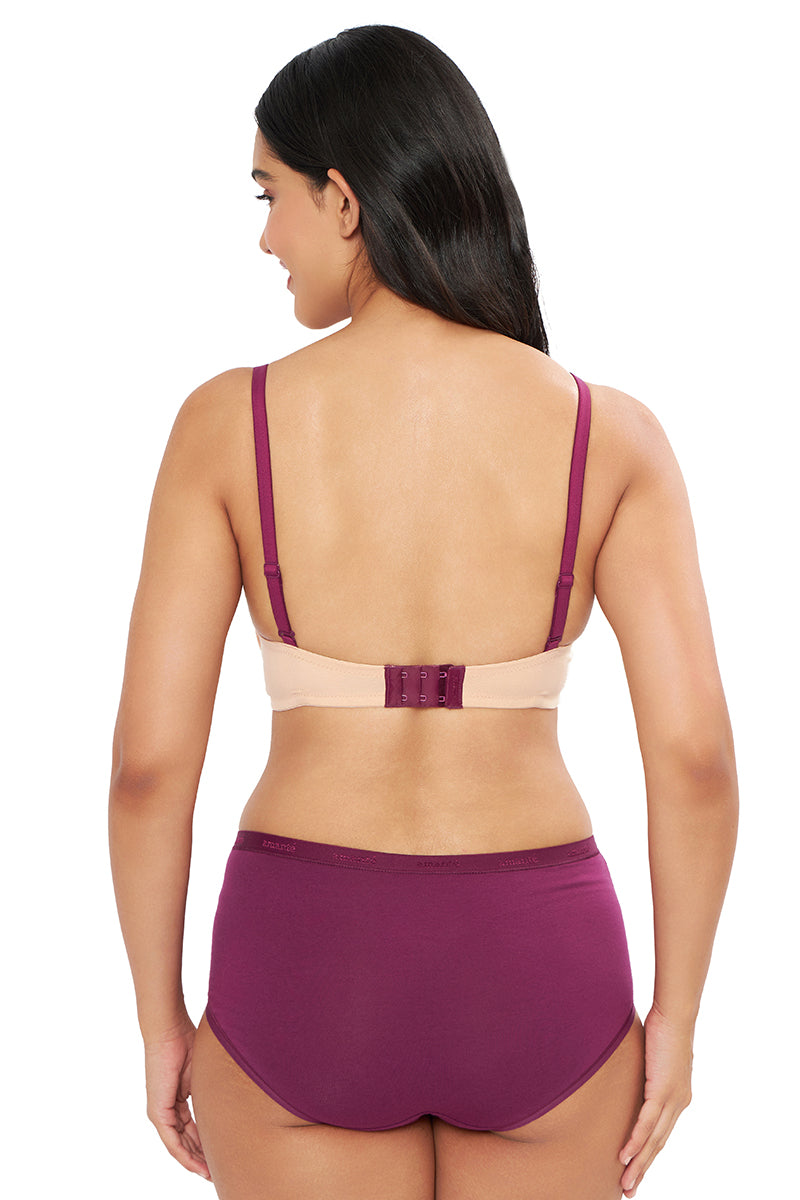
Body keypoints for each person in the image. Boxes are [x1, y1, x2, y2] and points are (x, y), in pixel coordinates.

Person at [108, 23, 738, 1200]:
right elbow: (695, 756)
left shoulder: (226, 425)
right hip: (539, 957)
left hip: (305, 957)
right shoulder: (610, 435)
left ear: (344, 200)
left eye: (271, 194)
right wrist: (676, 1019)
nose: (264, 237)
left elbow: (148, 767)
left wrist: (159, 1022)